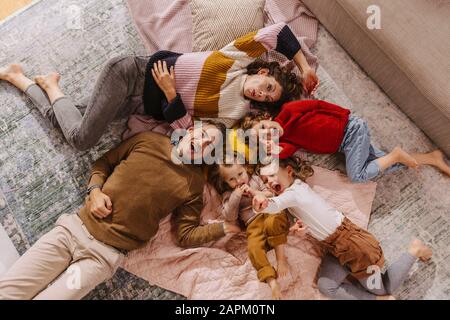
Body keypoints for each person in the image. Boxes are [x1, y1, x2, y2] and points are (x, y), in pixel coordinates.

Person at [0, 121, 241, 300]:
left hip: (101, 257)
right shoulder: (149, 140)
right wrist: (94, 191)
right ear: (190, 131)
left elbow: (186, 234)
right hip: (72, 232)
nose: (202, 143)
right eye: (202, 135)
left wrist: (223, 228)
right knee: (8, 292)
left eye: (210, 145)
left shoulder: (194, 185)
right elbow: (102, 164)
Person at [0, 22, 319, 150]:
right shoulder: (234, 59)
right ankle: (51, 87)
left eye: (266, 97)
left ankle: (24, 79)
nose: (260, 93)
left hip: (142, 105)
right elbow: (278, 31)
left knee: (67, 121)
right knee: (83, 140)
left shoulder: (234, 112)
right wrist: (303, 67)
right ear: (262, 70)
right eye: (265, 86)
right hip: (129, 74)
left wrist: (171, 94)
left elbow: (188, 128)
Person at [253, 157, 433, 300]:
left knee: (383, 288)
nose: (268, 182)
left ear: (289, 171)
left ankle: (414, 251)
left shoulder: (293, 194)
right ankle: (379, 299)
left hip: (355, 247)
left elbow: (275, 205)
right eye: (264, 180)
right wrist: (304, 227)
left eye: (271, 175)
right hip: (335, 248)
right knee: (325, 287)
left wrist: (262, 201)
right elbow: (317, 215)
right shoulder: (296, 191)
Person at [238, 100, 450, 182]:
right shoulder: (286, 140)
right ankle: (431, 158)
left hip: (349, 128)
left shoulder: (289, 111)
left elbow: (317, 105)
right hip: (345, 145)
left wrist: (344, 115)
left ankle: (396, 155)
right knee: (378, 164)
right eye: (263, 138)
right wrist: (271, 148)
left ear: (266, 119)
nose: (268, 134)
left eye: (264, 129)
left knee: (357, 176)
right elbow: (285, 152)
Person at [207, 161, 290, 299]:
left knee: (273, 223)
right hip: (253, 225)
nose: (239, 181)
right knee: (253, 249)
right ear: (225, 182)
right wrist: (236, 195)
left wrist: (253, 192)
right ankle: (272, 282)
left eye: (240, 174)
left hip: (270, 212)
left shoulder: (256, 180)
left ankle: (280, 259)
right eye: (232, 179)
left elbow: (271, 193)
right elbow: (230, 216)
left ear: (245, 169)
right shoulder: (229, 194)